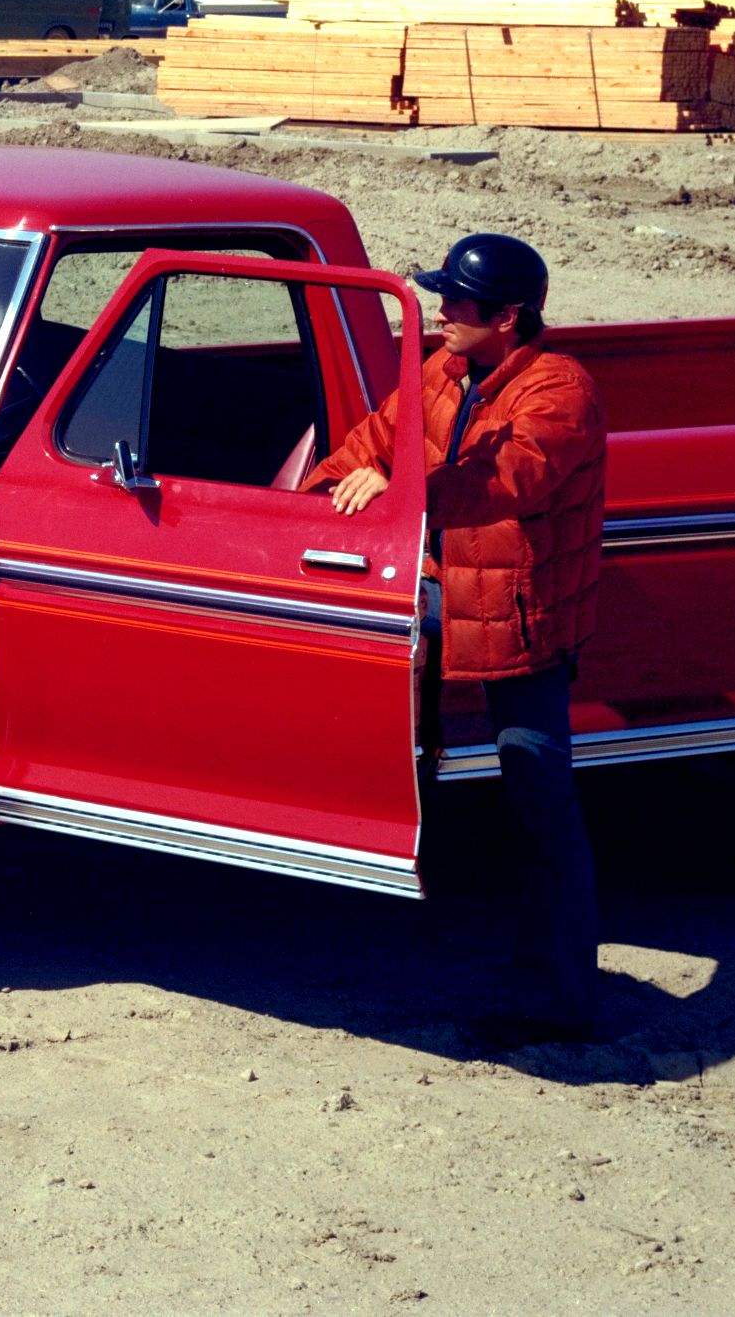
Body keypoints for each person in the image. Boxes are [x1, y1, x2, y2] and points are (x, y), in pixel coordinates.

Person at [302, 232, 607, 1037]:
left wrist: (404, 486)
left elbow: (513, 477)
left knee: (541, 803)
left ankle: (565, 996)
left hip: (520, 622)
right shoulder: (442, 370)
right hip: (437, 598)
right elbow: (369, 443)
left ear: (507, 317)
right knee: (396, 766)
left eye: (458, 304)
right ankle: (417, 938)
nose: (441, 313)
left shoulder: (562, 390)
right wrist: (323, 491)